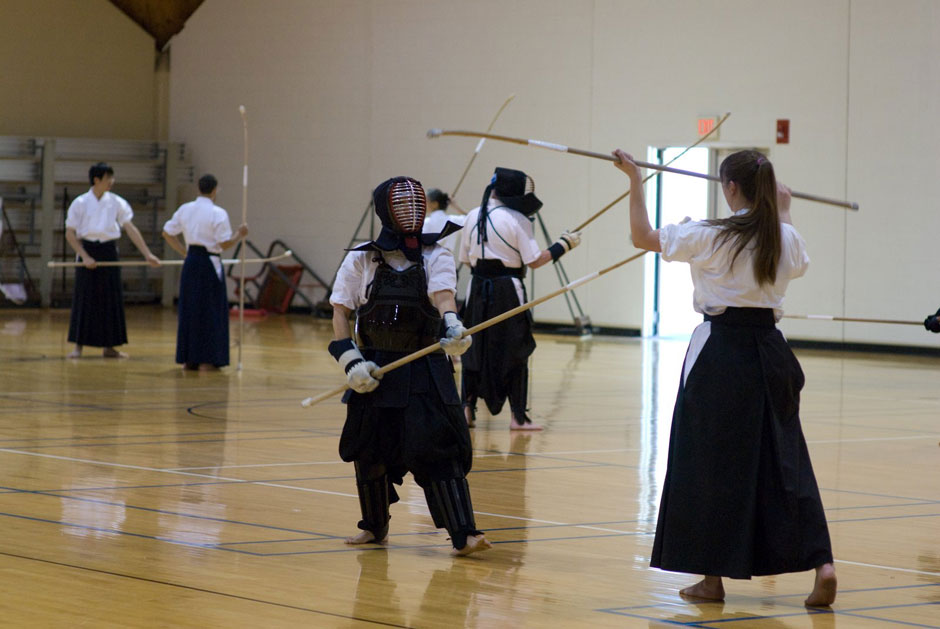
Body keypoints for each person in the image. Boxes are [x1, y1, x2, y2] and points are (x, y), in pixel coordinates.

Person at [612, 148, 836, 607]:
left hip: (721, 356)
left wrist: (635, 179)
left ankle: (712, 579)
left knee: (709, 466)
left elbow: (641, 237)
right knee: (788, 462)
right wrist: (786, 210)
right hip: (771, 354)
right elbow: (794, 256)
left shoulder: (710, 233)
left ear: (731, 188)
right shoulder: (785, 236)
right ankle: (823, 566)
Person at [329, 176, 491, 556]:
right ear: (385, 210)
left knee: (438, 449)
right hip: (374, 370)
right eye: (402, 204)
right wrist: (350, 361)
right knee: (369, 450)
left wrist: (453, 327)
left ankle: (464, 534)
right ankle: (373, 527)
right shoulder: (362, 258)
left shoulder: (436, 255)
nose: (412, 211)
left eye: (417, 203)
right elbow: (340, 312)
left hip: (425, 370)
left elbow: (444, 298)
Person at [457, 167, 581, 430]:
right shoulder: (518, 219)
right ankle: (518, 417)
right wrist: (563, 245)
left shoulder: (471, 215)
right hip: (508, 291)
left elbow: (466, 259)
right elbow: (534, 260)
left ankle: (466, 410)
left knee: (473, 348)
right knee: (517, 349)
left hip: (476, 289)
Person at [65, 162, 160, 358]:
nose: (112, 182)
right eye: (108, 178)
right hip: (87, 250)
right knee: (85, 300)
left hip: (108, 251)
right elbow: (70, 233)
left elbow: (130, 228)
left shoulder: (117, 202)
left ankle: (110, 347)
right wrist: (85, 256)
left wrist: (147, 254)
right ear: (96, 180)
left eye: (112, 178)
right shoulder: (80, 202)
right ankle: (78, 347)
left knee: (110, 300)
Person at [162, 174, 248, 371]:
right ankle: (207, 360)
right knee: (210, 310)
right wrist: (239, 235)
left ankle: (189, 359)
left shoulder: (185, 209)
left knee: (190, 309)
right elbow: (224, 244)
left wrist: (184, 252)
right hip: (209, 264)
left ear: (198, 189)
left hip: (191, 262)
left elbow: (167, 233)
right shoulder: (218, 213)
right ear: (215, 190)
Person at [423, 188, 465, 257]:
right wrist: (455, 206)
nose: (423, 204)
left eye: (426, 201)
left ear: (435, 204)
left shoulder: (427, 222)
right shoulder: (454, 220)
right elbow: (471, 219)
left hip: (429, 259)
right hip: (448, 259)